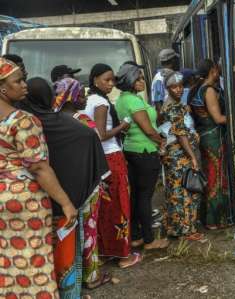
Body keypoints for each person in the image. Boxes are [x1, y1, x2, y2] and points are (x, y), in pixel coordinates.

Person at [19, 77, 111, 298]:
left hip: (29, 199)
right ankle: (68, 291)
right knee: (65, 247)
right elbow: (90, 137)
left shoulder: (21, 122)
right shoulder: (68, 125)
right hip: (65, 200)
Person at [0, 58, 77, 298]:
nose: (25, 85)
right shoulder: (24, 120)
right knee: (34, 260)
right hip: (25, 201)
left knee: (6, 262)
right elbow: (39, 168)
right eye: (18, 81)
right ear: (2, 88)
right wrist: (65, 203)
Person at [52, 77, 113, 290]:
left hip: (62, 186)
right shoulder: (83, 120)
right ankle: (91, 275)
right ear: (73, 96)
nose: (84, 97)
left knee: (68, 233)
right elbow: (95, 151)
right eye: (81, 94)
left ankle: (72, 274)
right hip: (87, 184)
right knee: (89, 228)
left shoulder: (52, 120)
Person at [82, 63, 142, 268]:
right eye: (106, 80)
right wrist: (123, 126)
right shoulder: (101, 103)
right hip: (112, 157)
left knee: (106, 206)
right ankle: (123, 255)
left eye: (113, 80)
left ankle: (106, 251)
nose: (111, 84)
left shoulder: (89, 100)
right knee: (120, 205)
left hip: (99, 159)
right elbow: (101, 135)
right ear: (95, 79)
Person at [115, 62, 170, 250]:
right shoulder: (134, 101)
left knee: (137, 196)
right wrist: (161, 143)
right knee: (145, 197)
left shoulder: (122, 99)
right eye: (138, 78)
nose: (142, 81)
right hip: (145, 151)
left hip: (131, 150)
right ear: (130, 80)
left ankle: (137, 236)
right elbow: (148, 130)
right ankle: (149, 240)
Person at [160, 71, 203, 240]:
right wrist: (192, 156)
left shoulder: (171, 104)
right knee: (185, 191)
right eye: (173, 87)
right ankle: (186, 230)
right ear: (167, 88)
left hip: (174, 155)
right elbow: (181, 134)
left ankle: (174, 226)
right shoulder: (174, 107)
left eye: (180, 86)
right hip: (179, 155)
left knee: (175, 190)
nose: (178, 90)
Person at [189, 59, 231, 229]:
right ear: (213, 71)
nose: (219, 70)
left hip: (206, 137)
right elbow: (218, 118)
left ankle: (210, 218)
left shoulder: (197, 89)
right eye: (217, 68)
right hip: (213, 138)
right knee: (216, 177)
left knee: (213, 175)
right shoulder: (209, 91)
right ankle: (214, 220)